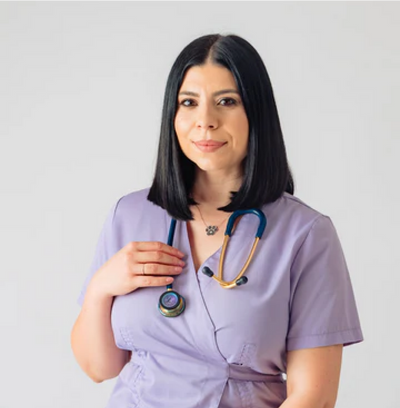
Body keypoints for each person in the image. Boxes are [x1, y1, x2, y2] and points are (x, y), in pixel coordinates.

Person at [71, 33, 364, 408]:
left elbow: (313, 396)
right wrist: (100, 288)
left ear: (256, 112)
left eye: (227, 101)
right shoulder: (130, 215)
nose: (205, 121)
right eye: (189, 102)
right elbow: (99, 367)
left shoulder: (305, 235)